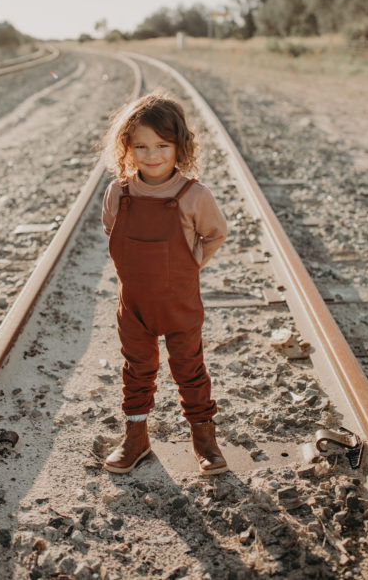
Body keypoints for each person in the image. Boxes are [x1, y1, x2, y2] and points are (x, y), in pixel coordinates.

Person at [101, 92, 228, 475]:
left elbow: (215, 234)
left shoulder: (193, 196)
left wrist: (191, 265)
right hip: (134, 306)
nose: (151, 154)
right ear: (127, 148)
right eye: (140, 146)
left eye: (162, 145)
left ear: (180, 146)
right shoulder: (119, 193)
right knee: (136, 370)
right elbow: (111, 230)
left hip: (180, 305)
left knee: (189, 368)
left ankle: (204, 438)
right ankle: (136, 438)